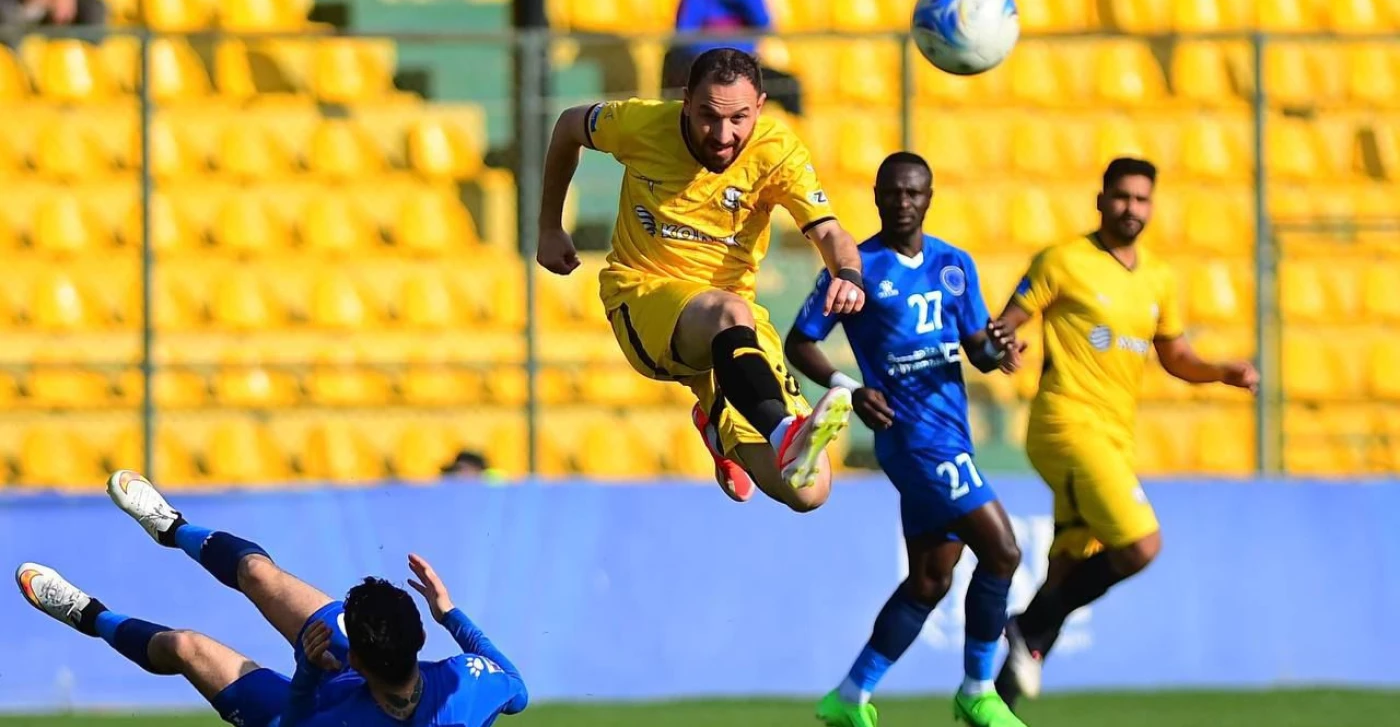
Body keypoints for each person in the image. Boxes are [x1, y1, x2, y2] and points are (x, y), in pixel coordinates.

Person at [536, 47, 865, 511]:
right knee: (731, 311)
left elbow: (830, 231)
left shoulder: (778, 151)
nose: (723, 135)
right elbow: (570, 124)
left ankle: (718, 424)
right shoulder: (639, 124)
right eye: (709, 116)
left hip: (733, 335)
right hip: (643, 295)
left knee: (808, 491)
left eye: (739, 119)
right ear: (686, 100)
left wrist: (847, 274)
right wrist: (549, 226)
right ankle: (781, 429)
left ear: (761, 106)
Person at [991, 158, 1260, 710]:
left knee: (1066, 564)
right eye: (1121, 197)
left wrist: (1221, 372)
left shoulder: (1158, 278)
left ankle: (996, 698)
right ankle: (1028, 627)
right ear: (1100, 200)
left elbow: (1176, 355)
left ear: (1152, 207)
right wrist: (1003, 344)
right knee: (1141, 544)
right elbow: (1005, 323)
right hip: (1066, 424)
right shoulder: (1063, 261)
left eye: (1141, 200)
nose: (1130, 209)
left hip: (1114, 435)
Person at [785, 152, 1027, 727]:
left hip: (953, 433)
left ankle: (848, 696)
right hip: (911, 436)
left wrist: (999, 348)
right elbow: (800, 342)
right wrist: (850, 387)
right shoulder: (855, 268)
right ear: (876, 196)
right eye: (891, 193)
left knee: (929, 579)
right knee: (1003, 551)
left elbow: (978, 350)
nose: (902, 203)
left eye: (913, 193)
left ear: (929, 197)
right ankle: (977, 689)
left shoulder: (954, 264)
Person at [15, 470, 528, 726]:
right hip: (357, 682)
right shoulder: (464, 683)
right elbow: (518, 691)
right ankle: (171, 527)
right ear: (418, 637)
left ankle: (89, 615)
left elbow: (299, 718)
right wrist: (451, 613)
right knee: (260, 574)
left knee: (186, 648)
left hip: (299, 712)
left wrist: (307, 670)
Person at [661, 0, 803, 116]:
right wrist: (722, 50)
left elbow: (764, 24)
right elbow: (684, 36)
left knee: (789, 84)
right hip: (706, 65)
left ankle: (797, 137)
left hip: (743, 66)